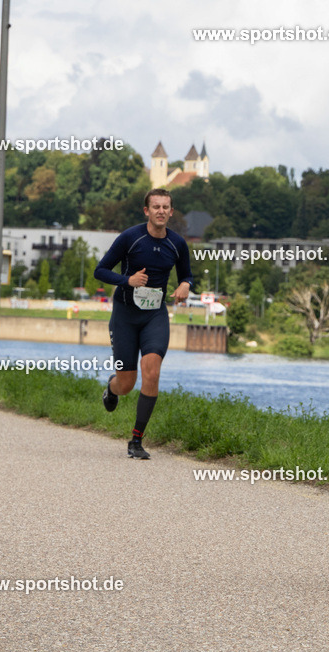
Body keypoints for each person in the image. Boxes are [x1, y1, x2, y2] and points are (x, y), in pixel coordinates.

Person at [94, 188, 194, 459]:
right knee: (126, 384)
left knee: (151, 371)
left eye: (165, 207)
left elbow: (187, 275)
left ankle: (136, 440)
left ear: (171, 212)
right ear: (147, 211)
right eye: (156, 206)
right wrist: (127, 280)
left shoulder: (177, 243)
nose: (161, 211)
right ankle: (111, 388)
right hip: (125, 315)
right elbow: (100, 270)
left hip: (154, 315)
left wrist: (186, 284)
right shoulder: (130, 237)